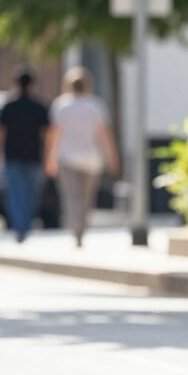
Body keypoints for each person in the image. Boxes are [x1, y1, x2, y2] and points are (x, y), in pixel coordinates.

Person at [44, 67, 120, 248]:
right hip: (91, 159)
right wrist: (112, 157)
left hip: (67, 157)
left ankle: (75, 227)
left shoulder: (61, 105)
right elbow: (104, 135)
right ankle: (82, 226)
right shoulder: (96, 105)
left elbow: (54, 135)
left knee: (71, 196)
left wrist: (49, 158)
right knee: (87, 197)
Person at [0, 69, 50, 243]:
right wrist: (48, 156)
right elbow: (47, 136)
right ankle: (25, 225)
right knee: (31, 194)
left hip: (13, 156)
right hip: (33, 156)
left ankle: (19, 227)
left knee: (15, 193)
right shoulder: (39, 106)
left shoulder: (9, 106)